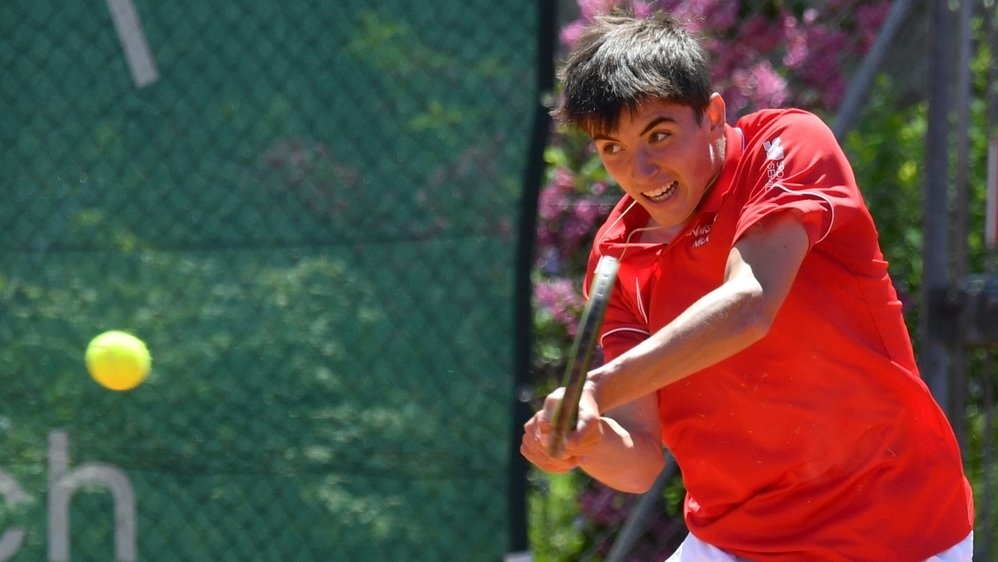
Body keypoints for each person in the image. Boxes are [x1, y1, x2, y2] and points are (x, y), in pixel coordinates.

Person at [520, 10, 975, 562]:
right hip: (734, 543)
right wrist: (584, 440)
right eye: (611, 148)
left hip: (895, 531)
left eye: (658, 135)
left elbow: (749, 304)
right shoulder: (617, 256)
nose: (640, 169)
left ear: (712, 116)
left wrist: (595, 388)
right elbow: (638, 461)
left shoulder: (785, 145)